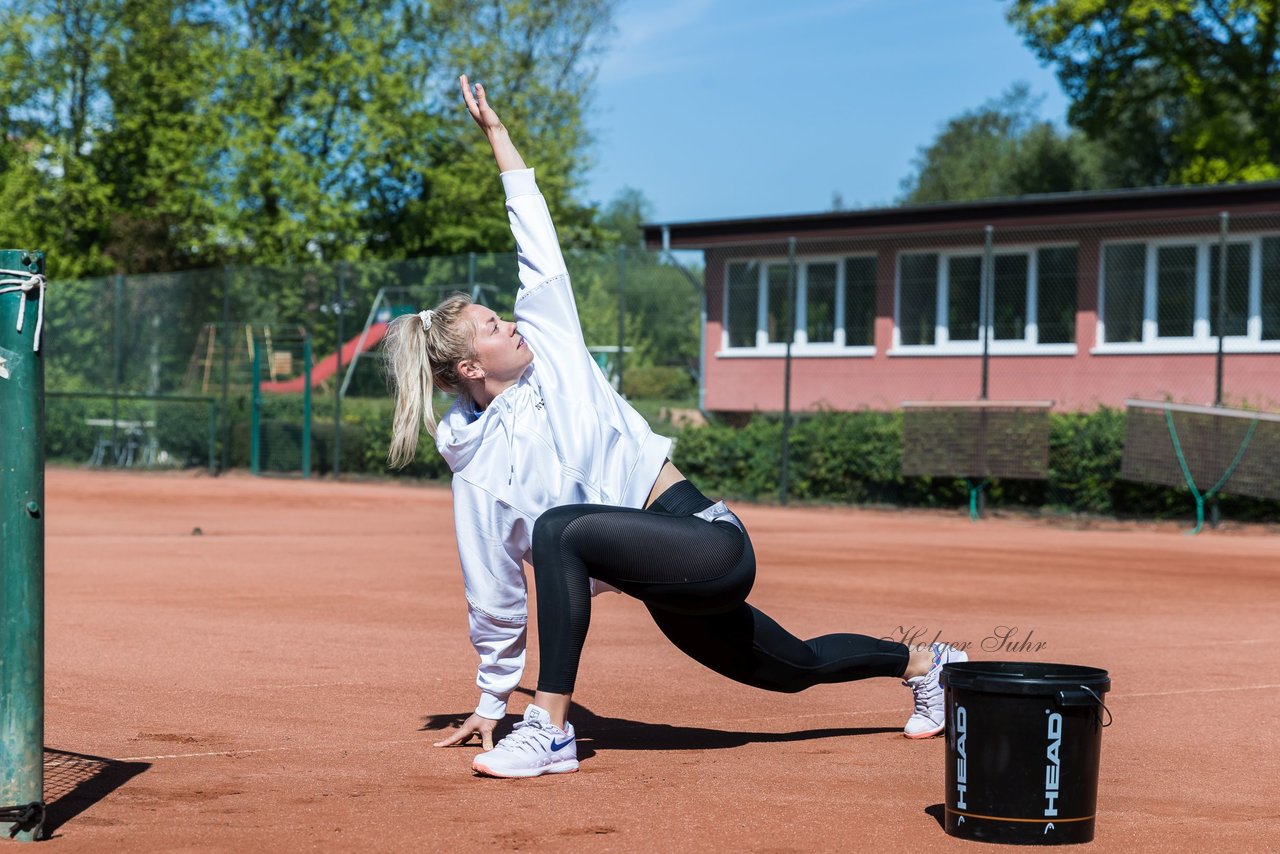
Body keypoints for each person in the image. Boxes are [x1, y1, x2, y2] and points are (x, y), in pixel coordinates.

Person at [384, 76, 966, 779]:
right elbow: (494, 587)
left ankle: (552, 731)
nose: (508, 321)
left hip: (708, 541)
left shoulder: (553, 338)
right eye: (492, 326)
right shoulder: (474, 464)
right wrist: (490, 695)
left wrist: (498, 138)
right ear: (473, 367)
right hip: (663, 582)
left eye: (500, 313)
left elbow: (533, 234)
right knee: (794, 668)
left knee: (558, 529)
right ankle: (934, 666)